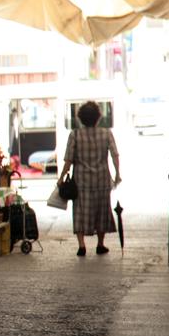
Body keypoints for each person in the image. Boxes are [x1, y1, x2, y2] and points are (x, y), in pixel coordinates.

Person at [58, 101, 121, 256]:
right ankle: (100, 244)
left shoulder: (75, 134)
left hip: (81, 182)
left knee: (80, 212)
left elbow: (68, 160)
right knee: (101, 211)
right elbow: (114, 154)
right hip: (102, 180)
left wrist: (61, 177)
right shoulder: (106, 133)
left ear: (80, 118)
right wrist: (117, 173)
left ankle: (82, 246)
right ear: (98, 118)